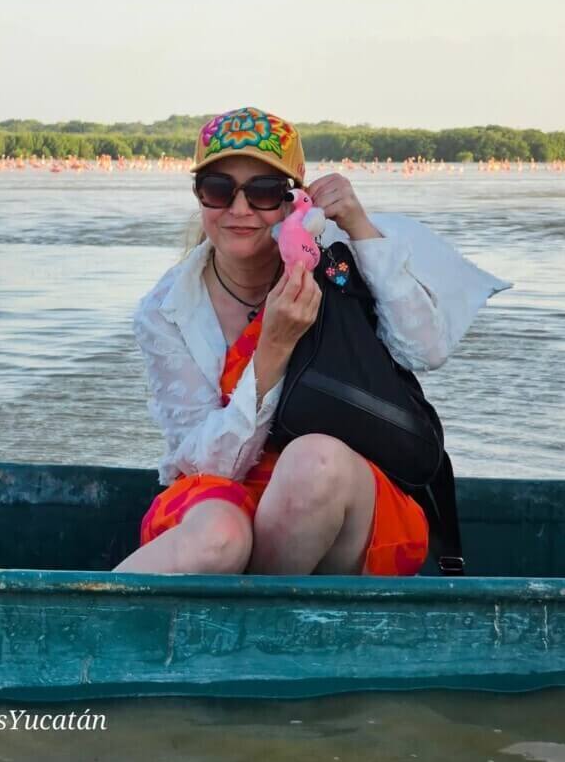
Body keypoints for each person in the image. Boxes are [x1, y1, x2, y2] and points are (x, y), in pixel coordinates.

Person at [115, 107, 507, 576]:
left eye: (262, 192)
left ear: (291, 201)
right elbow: (207, 464)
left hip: (339, 499)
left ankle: (248, 632)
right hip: (223, 493)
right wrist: (274, 350)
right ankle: (85, 624)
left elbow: (426, 349)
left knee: (313, 462)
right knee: (221, 537)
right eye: (219, 189)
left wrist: (359, 226)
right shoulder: (166, 309)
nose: (239, 209)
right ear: (199, 196)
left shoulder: (337, 263)